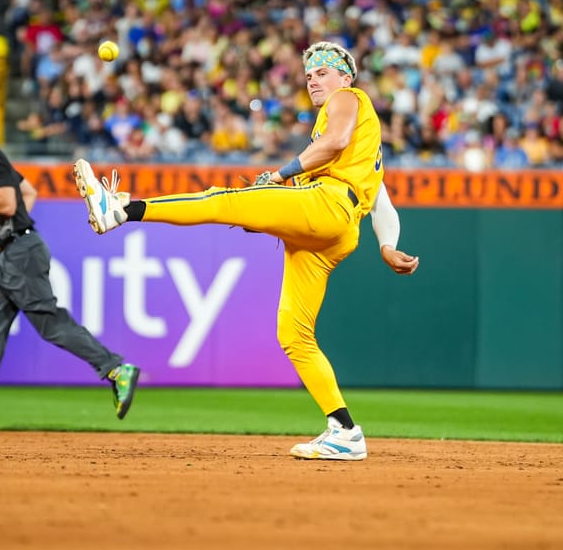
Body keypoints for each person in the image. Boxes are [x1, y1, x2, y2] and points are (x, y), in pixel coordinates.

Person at [73, 41, 419, 462]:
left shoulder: (349, 99)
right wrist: (388, 245)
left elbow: (333, 141)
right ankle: (344, 430)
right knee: (294, 335)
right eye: (308, 74)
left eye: (322, 72)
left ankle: (122, 210)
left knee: (225, 201)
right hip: (335, 232)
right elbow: (381, 200)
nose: (313, 78)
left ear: (345, 77)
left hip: (326, 206)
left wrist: (279, 173)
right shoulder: (367, 148)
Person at [0, 107, 139, 429]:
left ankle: (115, 369)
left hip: (18, 254)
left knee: (50, 323)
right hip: (12, 252)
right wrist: (15, 227)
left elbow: (10, 203)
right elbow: (29, 192)